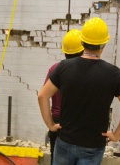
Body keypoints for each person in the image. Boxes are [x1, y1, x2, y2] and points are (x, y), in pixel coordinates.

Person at [38, 17, 120, 165]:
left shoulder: (63, 67)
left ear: (82, 42)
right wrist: (116, 135)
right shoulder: (113, 73)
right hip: (93, 144)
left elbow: (42, 96)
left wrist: (51, 125)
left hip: (66, 141)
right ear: (103, 44)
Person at [43, 29, 85, 164]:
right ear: (83, 50)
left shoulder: (55, 69)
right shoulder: (87, 71)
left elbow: (43, 95)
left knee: (56, 158)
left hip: (57, 120)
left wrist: (50, 124)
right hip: (78, 121)